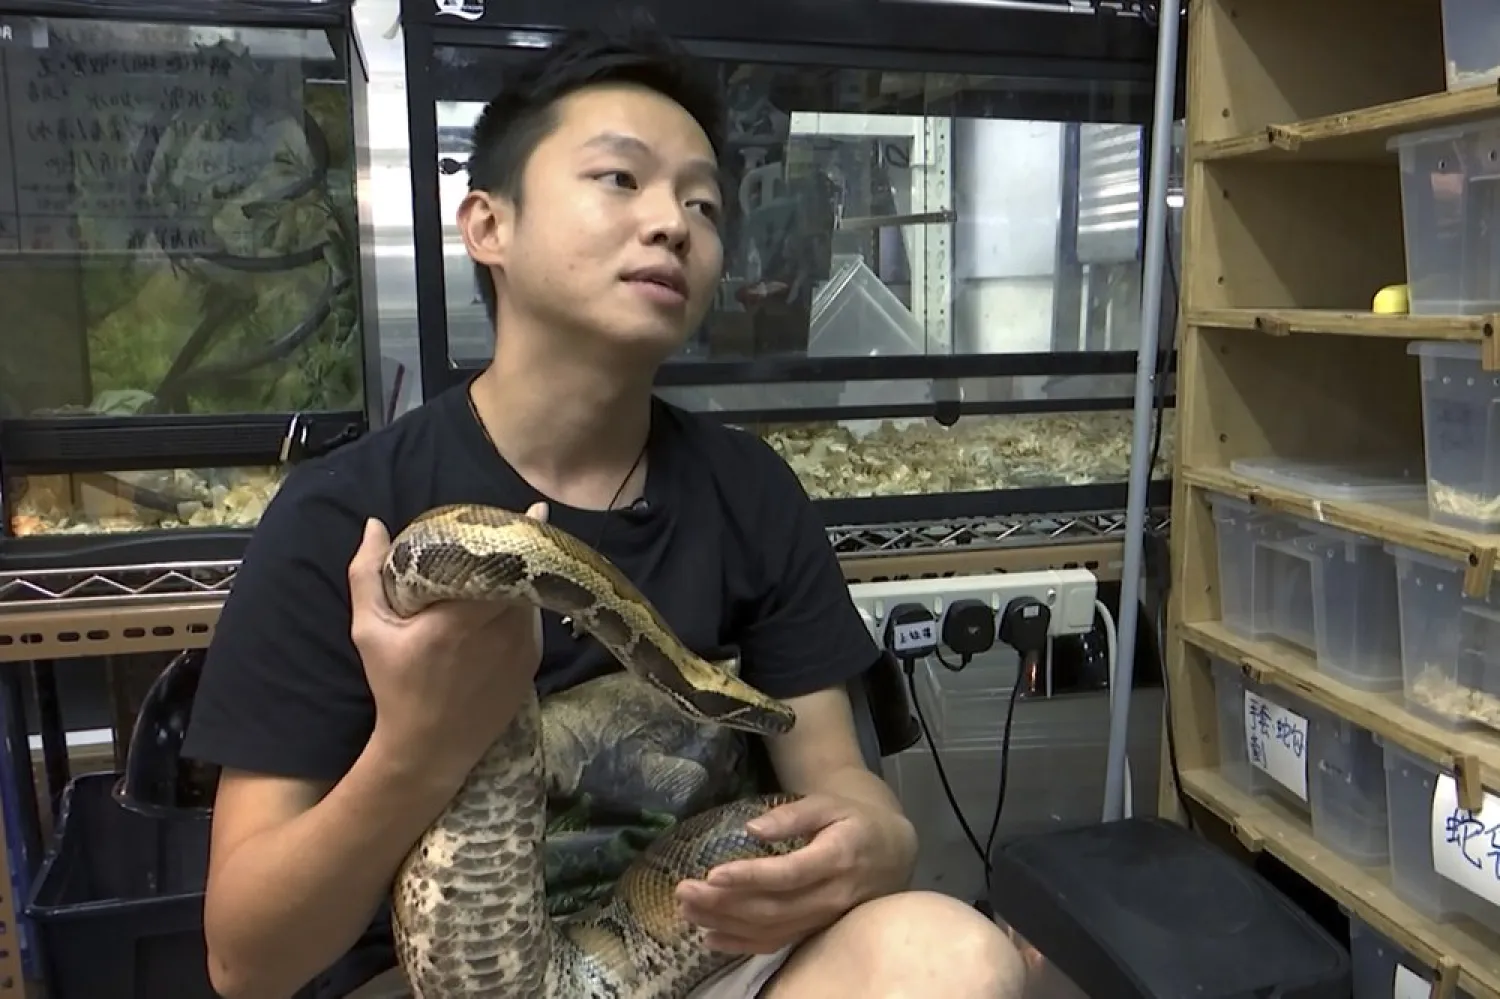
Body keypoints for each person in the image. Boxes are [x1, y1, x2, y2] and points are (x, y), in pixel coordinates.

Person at [182, 20, 1026, 999]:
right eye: (620, 180)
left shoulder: (750, 491)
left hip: (693, 956)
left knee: (954, 954)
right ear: (488, 226)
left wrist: (878, 839)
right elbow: (246, 961)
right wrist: (424, 743)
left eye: (704, 205)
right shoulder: (344, 519)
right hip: (432, 978)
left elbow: (836, 781)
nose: (674, 222)